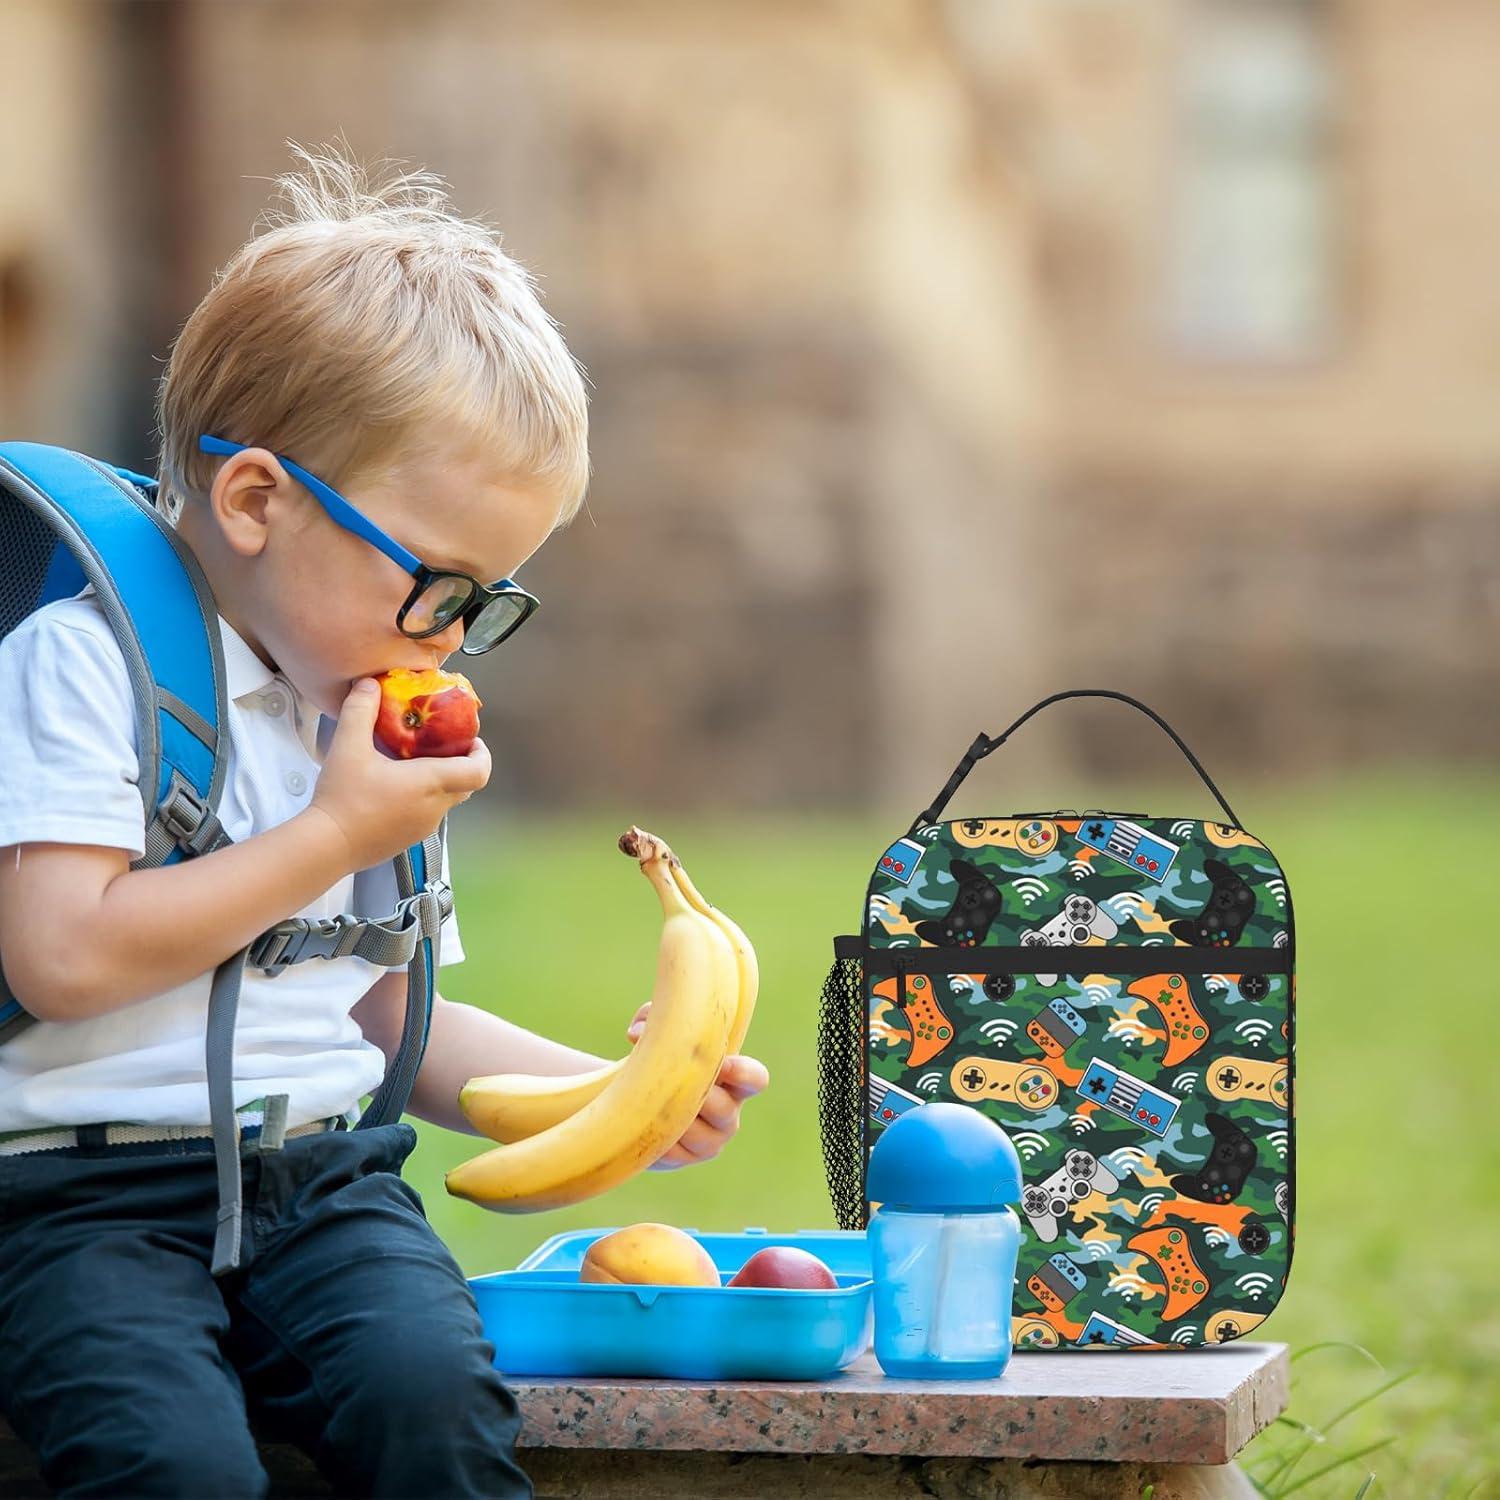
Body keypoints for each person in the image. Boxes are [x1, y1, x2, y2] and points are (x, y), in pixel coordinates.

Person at [0, 143, 769, 1499]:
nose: (451, 638)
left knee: (436, 1408)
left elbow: (383, 1016)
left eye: (486, 602)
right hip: (77, 1203)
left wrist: (622, 1099)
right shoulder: (84, 668)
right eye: (438, 585)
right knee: (172, 1465)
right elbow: (61, 956)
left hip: (321, 1186)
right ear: (256, 503)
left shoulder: (359, 715)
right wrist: (331, 837)